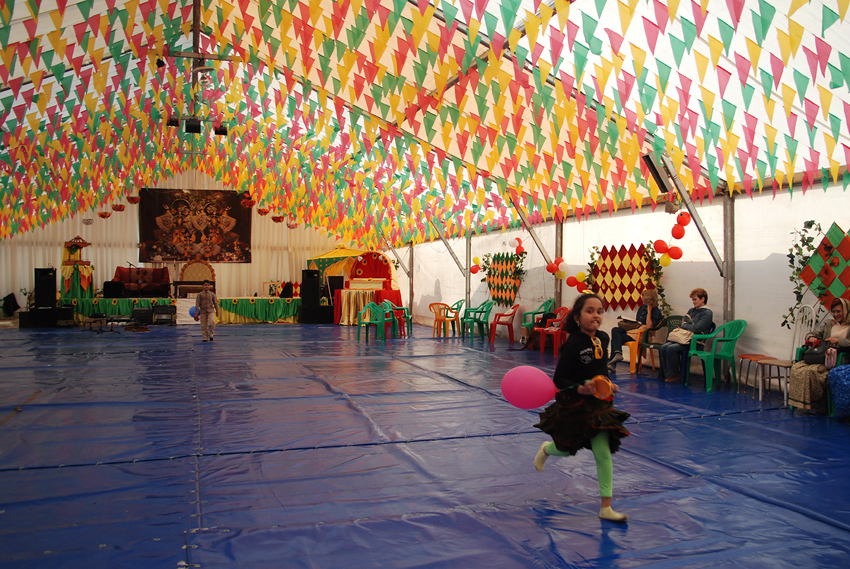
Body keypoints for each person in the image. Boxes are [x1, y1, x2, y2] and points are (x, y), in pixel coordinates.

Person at [533, 293, 632, 522]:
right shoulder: (572, 344)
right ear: (577, 317)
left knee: (602, 453)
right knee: (567, 448)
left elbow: (601, 369)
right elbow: (560, 379)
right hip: (575, 405)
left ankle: (606, 507)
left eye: (599, 311)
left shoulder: (603, 338)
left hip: (599, 406)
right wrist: (581, 388)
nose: (596, 315)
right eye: (590, 311)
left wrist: (608, 383)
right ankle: (547, 449)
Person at [789, 298, 850, 412]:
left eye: (839, 311)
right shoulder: (829, 324)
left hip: (839, 359)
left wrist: (838, 341)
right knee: (797, 369)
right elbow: (812, 334)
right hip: (822, 357)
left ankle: (818, 403)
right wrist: (811, 337)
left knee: (812, 372)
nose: (836, 314)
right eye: (834, 312)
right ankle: (803, 403)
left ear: (846, 311)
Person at [659, 288, 713, 383]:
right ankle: (667, 373)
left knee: (671, 348)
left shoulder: (707, 313)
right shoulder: (691, 310)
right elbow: (683, 324)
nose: (693, 302)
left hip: (695, 342)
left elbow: (697, 328)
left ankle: (674, 374)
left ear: (703, 299)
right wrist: (688, 326)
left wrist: (687, 326)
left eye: (695, 299)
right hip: (684, 339)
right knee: (663, 347)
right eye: (692, 300)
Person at [608, 288, 663, 370]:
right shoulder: (642, 308)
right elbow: (638, 321)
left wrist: (649, 312)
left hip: (642, 334)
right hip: (635, 329)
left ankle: (613, 362)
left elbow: (649, 327)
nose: (642, 298)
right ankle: (617, 354)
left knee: (616, 339)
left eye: (643, 297)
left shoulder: (656, 311)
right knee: (615, 330)